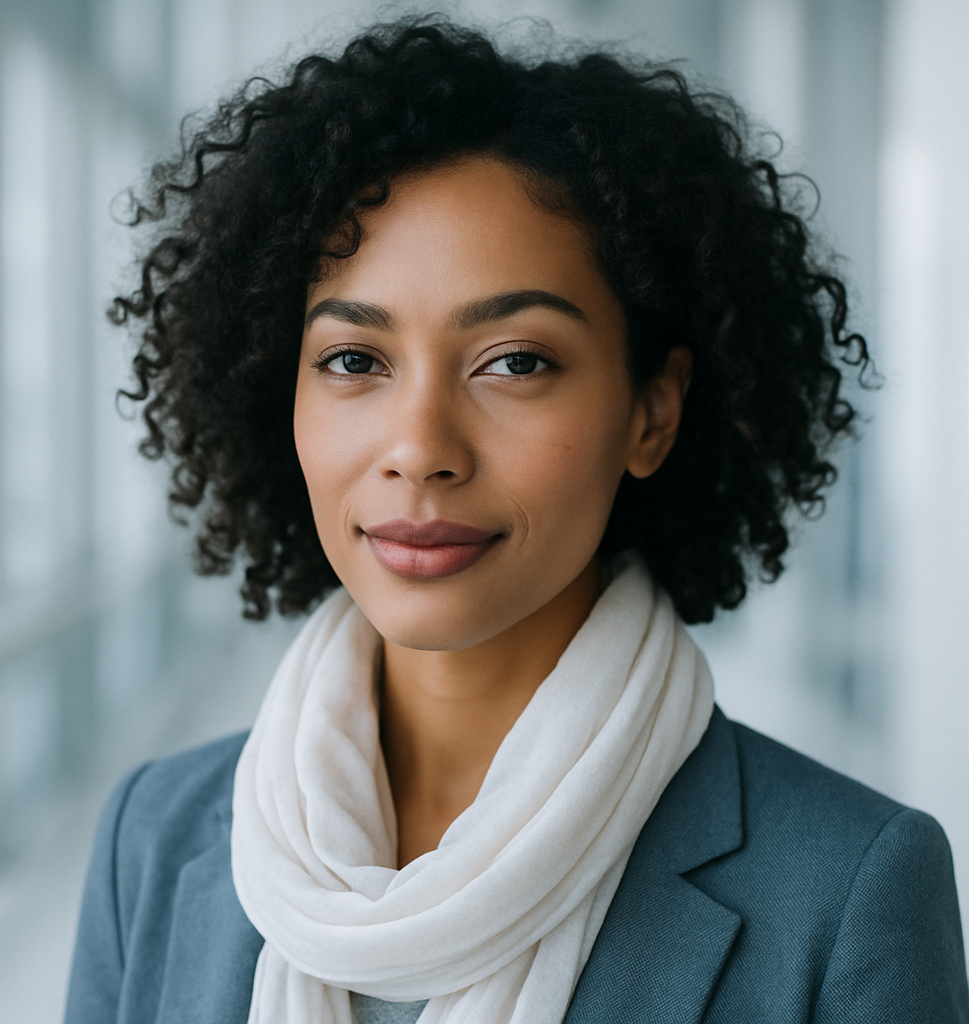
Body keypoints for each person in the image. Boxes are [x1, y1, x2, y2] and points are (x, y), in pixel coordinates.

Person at [64, 17, 969, 1024]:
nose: (420, 446)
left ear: (651, 412)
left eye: (515, 361)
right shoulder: (151, 839)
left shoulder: (846, 892)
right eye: (354, 361)